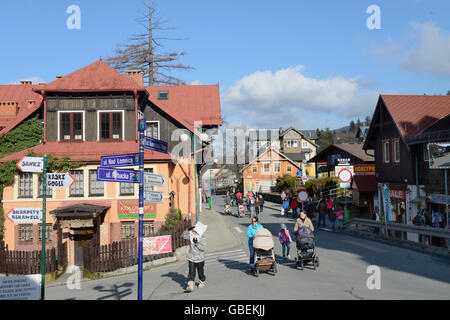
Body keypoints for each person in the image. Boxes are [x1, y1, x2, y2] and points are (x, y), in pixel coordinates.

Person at [182, 222, 207, 292]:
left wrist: (197, 243)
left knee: (200, 272)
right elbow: (184, 236)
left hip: (200, 258)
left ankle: (202, 281)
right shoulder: (191, 236)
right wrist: (188, 230)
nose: (194, 233)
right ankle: (190, 285)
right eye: (193, 231)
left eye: (196, 232)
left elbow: (203, 248)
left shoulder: (202, 238)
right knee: (191, 272)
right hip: (191, 257)